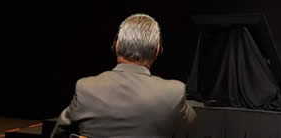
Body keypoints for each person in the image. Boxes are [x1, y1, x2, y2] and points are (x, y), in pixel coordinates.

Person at [51, 14, 196, 138]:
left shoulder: (86, 88)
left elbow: (59, 133)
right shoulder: (174, 93)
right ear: (158, 49)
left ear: (117, 45)